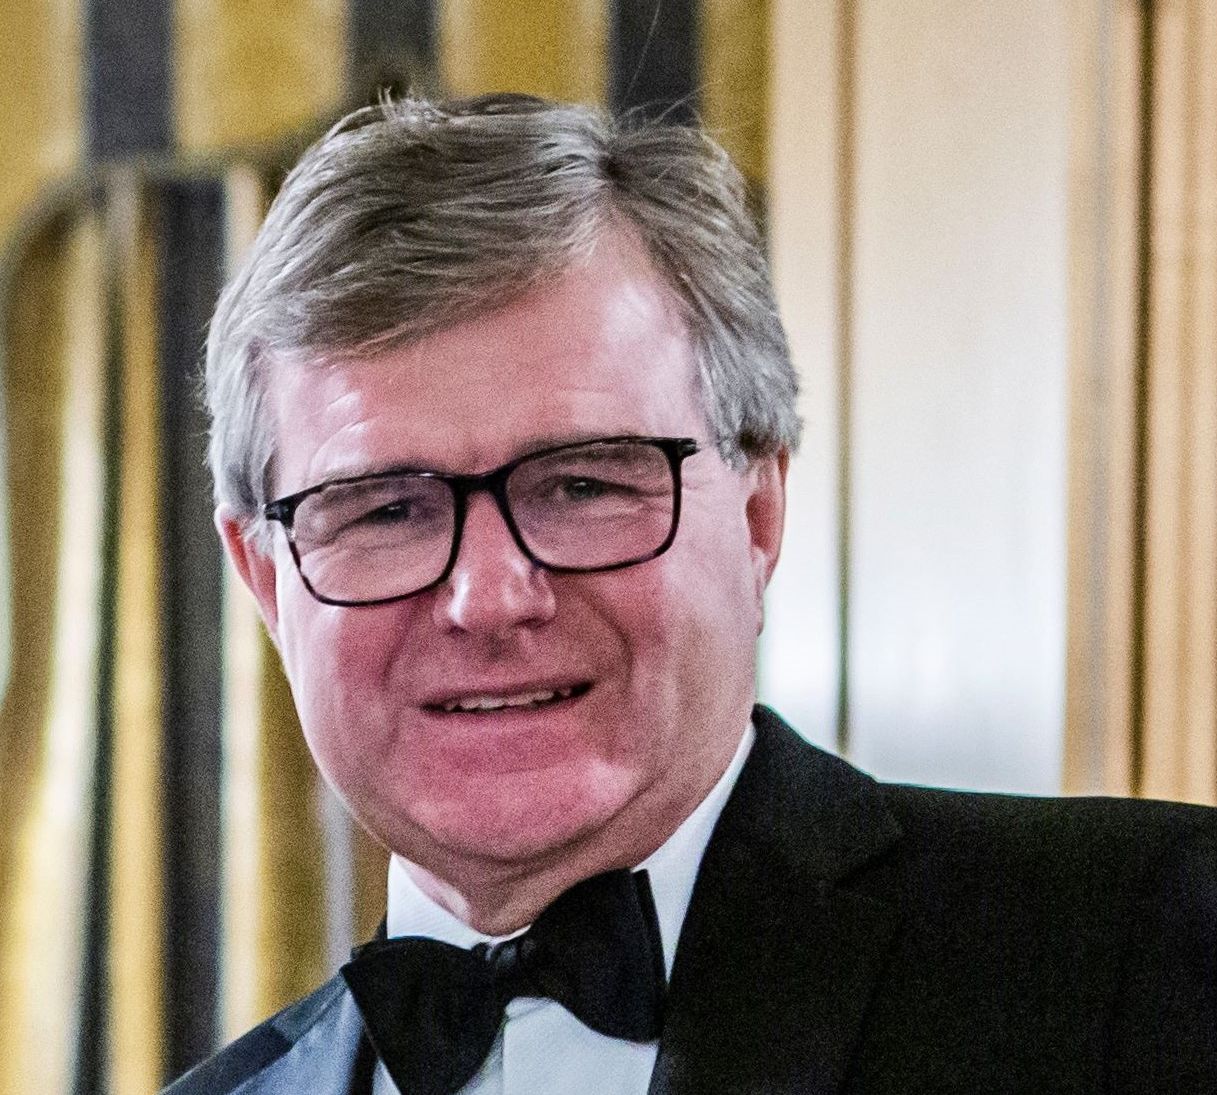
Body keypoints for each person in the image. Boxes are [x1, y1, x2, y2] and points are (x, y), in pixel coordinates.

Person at [167, 93, 1216, 1095]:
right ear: (264, 577)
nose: (486, 599)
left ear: (757, 517)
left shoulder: (1150, 944)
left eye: (582, 485)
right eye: (385, 511)